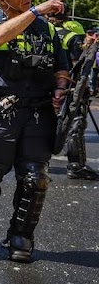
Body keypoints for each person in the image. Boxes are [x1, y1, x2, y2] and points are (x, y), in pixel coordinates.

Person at [0, 0, 69, 262]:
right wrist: (36, 11)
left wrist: (61, 86)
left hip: (38, 112)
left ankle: (21, 237)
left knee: (35, 178)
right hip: (2, 112)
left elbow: (60, 66)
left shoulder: (47, 29)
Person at [52, 16, 97, 179]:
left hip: (45, 85)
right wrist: (84, 89)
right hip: (68, 86)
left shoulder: (44, 31)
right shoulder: (71, 36)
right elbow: (78, 65)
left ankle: (36, 163)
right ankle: (76, 166)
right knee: (75, 124)